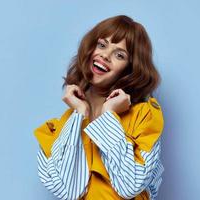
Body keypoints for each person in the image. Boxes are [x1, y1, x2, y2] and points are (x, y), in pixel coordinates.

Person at [33, 15, 164, 200]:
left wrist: (108, 114)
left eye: (119, 55)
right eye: (102, 45)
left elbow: (129, 186)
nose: (104, 55)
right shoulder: (69, 121)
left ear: (130, 69)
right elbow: (67, 191)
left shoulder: (145, 115)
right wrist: (80, 113)